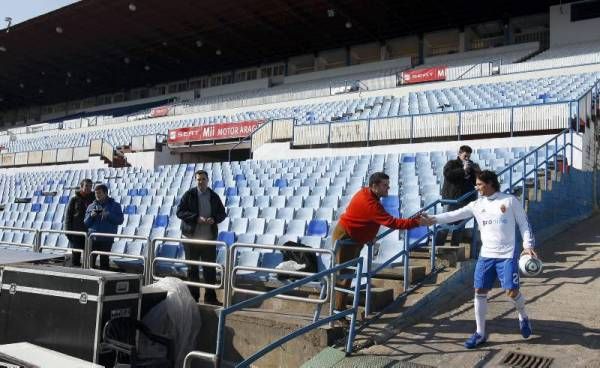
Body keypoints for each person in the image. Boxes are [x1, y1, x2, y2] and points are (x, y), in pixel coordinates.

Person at [427, 170, 538, 349]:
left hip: (507, 256)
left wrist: (527, 245)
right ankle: (480, 333)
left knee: (511, 291)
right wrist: (432, 219)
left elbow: (524, 223)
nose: (476, 187)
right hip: (486, 255)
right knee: (479, 290)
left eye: (479, 184)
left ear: (489, 183)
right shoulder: (477, 205)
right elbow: (454, 215)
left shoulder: (509, 201)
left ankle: (523, 316)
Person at [332, 172, 429, 311]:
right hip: (346, 238)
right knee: (344, 276)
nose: (388, 188)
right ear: (374, 186)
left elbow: (364, 220)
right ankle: (338, 313)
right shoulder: (370, 203)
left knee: (347, 275)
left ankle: (338, 310)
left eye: (388, 185)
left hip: (353, 237)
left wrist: (368, 236)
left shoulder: (367, 194)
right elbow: (392, 222)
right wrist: (417, 222)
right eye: (385, 185)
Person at [176, 170, 226, 305]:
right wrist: (196, 218)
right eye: (198, 179)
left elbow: (222, 214)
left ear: (208, 180)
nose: (201, 182)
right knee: (193, 270)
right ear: (195, 180)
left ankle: (210, 298)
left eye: (203, 179)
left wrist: (214, 219)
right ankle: (193, 299)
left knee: (209, 269)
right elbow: (179, 212)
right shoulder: (189, 195)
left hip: (208, 239)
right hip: (191, 239)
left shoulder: (214, 196)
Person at [435, 145, 480, 246]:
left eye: (469, 156)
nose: (467, 158)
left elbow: (475, 182)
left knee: (460, 226)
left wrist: (477, 172)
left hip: (464, 200)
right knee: (445, 223)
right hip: (451, 199)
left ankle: (455, 248)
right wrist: (463, 170)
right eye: (465, 156)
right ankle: (437, 247)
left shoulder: (471, 165)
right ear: (459, 154)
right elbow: (448, 175)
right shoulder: (451, 164)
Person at [84, 184, 124, 270]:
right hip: (93, 238)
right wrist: (91, 215)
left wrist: (108, 215)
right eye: (96, 193)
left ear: (106, 193)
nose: (97, 195)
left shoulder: (115, 205)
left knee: (104, 263)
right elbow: (86, 223)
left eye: (99, 193)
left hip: (106, 238)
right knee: (90, 262)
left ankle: (104, 282)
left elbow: (120, 220)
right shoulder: (91, 206)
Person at [64, 178, 94, 267]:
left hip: (89, 231)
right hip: (76, 231)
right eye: (86, 186)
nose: (88, 188)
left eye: (90, 186)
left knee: (89, 255)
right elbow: (68, 216)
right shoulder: (74, 199)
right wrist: (68, 231)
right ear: (81, 187)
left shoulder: (94, 199)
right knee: (76, 254)